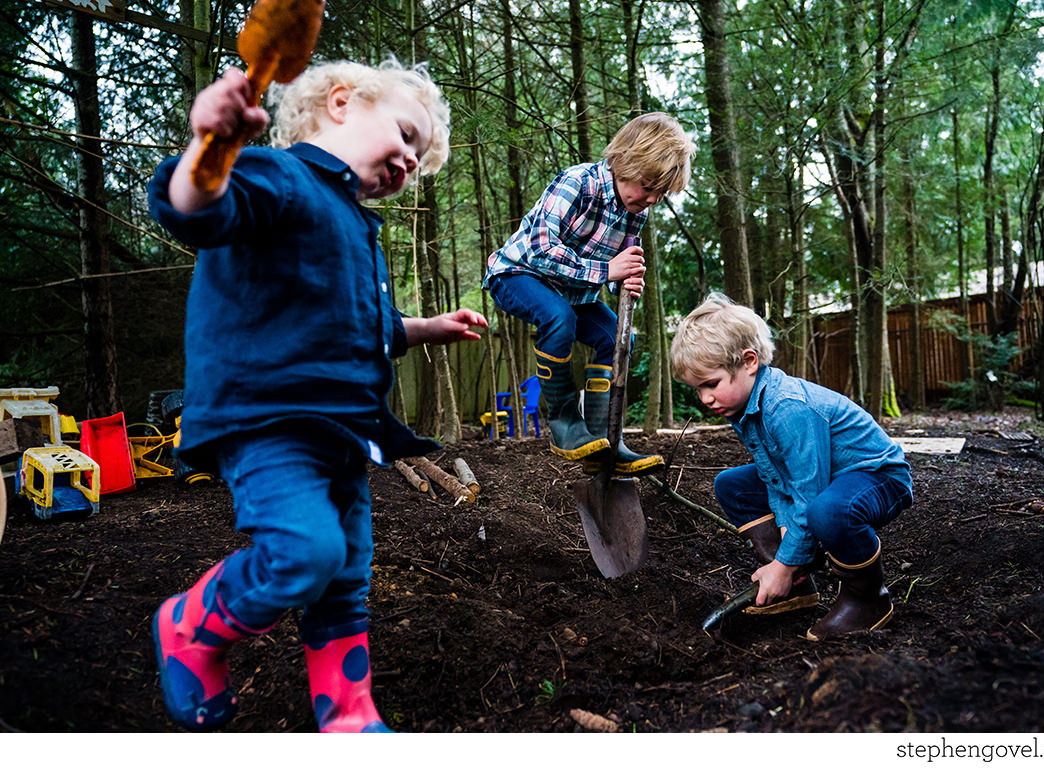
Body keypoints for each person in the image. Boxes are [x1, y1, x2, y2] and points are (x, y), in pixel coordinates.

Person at [146, 59, 487, 732]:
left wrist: (425, 329)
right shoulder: (280, 176)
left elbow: (358, 322)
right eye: (406, 134)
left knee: (346, 574)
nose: (412, 160)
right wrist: (211, 145)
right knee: (306, 553)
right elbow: (196, 210)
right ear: (340, 104)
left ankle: (349, 714)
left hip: (344, 431)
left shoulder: (354, 224)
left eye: (420, 155)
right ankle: (188, 626)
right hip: (270, 419)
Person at [670, 294, 913, 640]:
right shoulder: (746, 408)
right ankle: (797, 584)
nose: (705, 398)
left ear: (749, 361)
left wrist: (784, 561)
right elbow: (776, 479)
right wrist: (787, 547)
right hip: (829, 479)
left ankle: (868, 597)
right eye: (698, 389)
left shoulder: (786, 407)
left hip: (878, 477)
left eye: (711, 384)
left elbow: (806, 489)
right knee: (733, 485)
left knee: (826, 510)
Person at [483, 113, 696, 476]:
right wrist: (606, 272)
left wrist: (623, 280)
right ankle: (565, 426)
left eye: (660, 194)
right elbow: (540, 250)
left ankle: (604, 441)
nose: (651, 199)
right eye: (647, 186)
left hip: (572, 291)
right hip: (517, 274)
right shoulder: (577, 183)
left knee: (618, 336)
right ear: (624, 162)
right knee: (558, 317)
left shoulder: (635, 211)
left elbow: (613, 265)